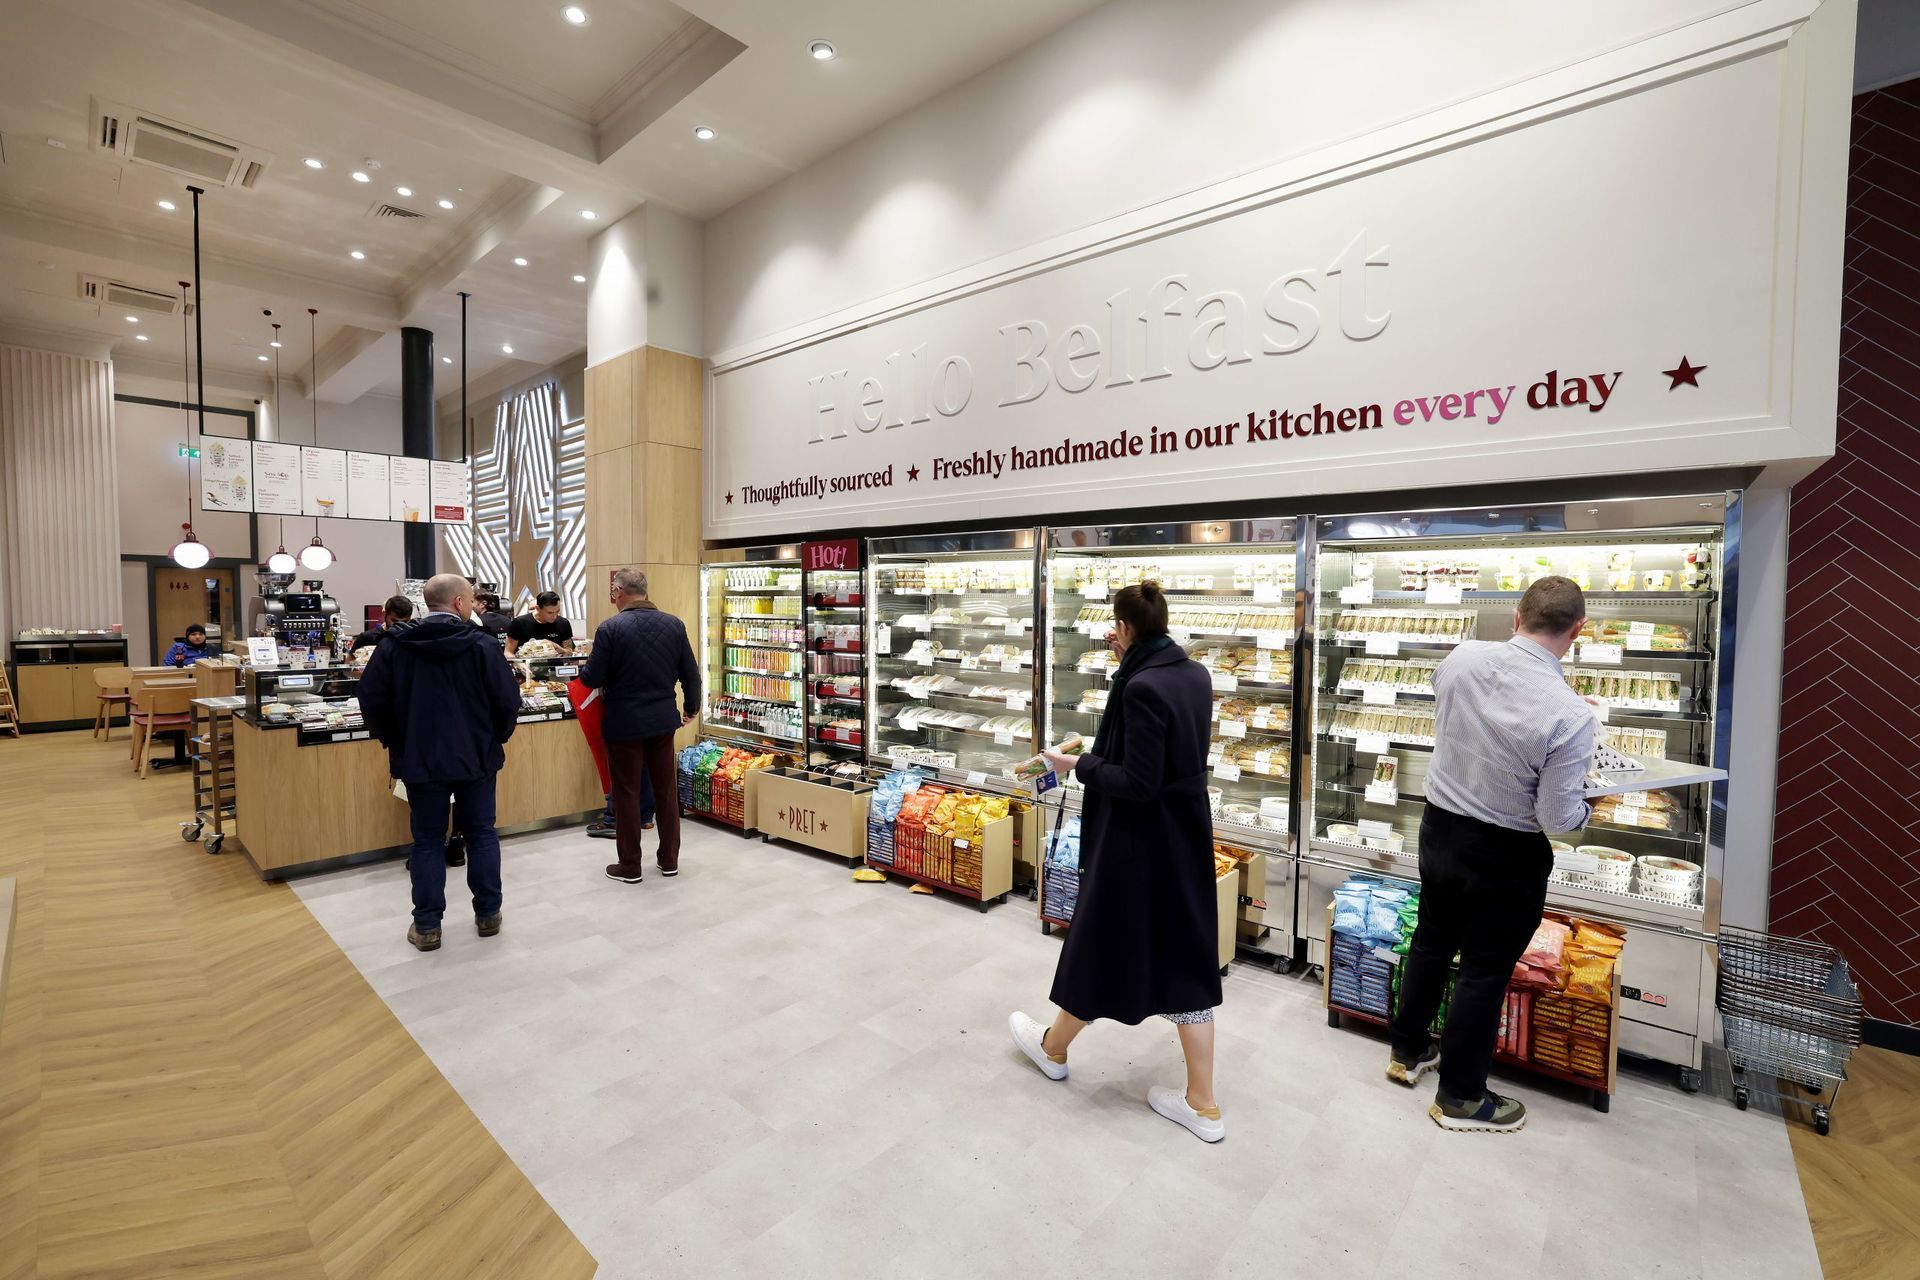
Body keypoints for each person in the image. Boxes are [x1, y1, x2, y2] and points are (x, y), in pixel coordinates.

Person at [1008, 582, 1226, 1143]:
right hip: (1184, 840)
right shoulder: (1194, 674)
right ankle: (1201, 1104)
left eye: (1116, 627)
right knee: (1184, 957)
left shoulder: (1141, 688)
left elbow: (1138, 782)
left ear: (1125, 628)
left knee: (1101, 944)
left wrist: (1075, 764)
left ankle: (1053, 1048)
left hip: (1138, 847)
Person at [1386, 575, 1598, 1134]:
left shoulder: (1461, 659)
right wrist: (1590, 803)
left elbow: (1463, 717)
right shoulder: (1572, 715)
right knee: (1483, 971)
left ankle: (1407, 1052)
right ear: (1578, 631)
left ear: (1515, 617)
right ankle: (1460, 1095)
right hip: (1505, 852)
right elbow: (1558, 819)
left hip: (1439, 829)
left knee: (1430, 943)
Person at [359, 573, 522, 952]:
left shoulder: (394, 646)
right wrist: (494, 737)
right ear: (460, 603)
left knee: (427, 840)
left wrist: (396, 742)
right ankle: (488, 915)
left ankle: (428, 925)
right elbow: (507, 701)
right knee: (481, 833)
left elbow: (371, 701)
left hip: (419, 758)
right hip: (476, 758)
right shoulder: (481, 646)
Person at [579, 567, 697, 883]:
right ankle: (669, 860)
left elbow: (591, 678)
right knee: (666, 791)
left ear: (618, 591)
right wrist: (691, 707)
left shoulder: (609, 629)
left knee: (627, 793)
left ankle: (630, 865)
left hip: (623, 723)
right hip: (662, 721)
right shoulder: (674, 624)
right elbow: (691, 673)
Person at [504, 591, 574, 655]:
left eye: (557, 611)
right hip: (525, 665)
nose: (554, 616)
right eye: (550, 613)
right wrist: (520, 665)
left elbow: (570, 652)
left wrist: (558, 648)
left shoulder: (563, 623)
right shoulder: (519, 623)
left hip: (556, 666)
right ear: (538, 608)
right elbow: (508, 652)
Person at [351, 595, 415, 653]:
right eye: (394, 621)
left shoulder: (414, 639)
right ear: (385, 614)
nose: (399, 626)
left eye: (405, 622)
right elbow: (349, 662)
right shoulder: (366, 638)